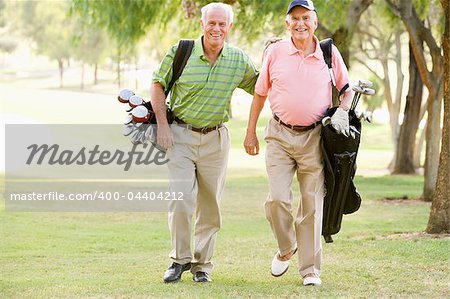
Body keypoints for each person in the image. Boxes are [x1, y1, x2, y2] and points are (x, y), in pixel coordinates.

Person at [243, 0, 353, 286]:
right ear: (287, 23)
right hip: (279, 134)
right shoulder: (275, 51)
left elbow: (346, 90)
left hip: (314, 138)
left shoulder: (328, 52)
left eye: (306, 17)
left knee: (311, 206)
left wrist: (342, 113)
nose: (300, 23)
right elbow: (260, 94)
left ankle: (310, 270)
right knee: (277, 199)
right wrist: (250, 131)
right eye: (295, 18)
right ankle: (286, 247)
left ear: (314, 22)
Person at [151, 2, 258, 283]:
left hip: (216, 139)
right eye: (212, 23)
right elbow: (157, 84)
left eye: (222, 24)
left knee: (210, 205)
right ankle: (178, 260)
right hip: (180, 136)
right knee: (181, 199)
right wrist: (162, 126)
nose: (216, 28)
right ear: (202, 24)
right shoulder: (181, 51)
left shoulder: (238, 60)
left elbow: (262, 86)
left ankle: (202, 265)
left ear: (229, 28)